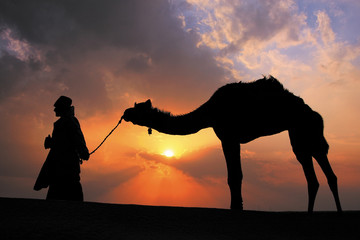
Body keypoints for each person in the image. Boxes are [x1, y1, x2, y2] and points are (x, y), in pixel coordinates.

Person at [34, 96, 90, 201]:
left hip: (66, 165)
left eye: (57, 107)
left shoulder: (69, 122)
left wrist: (83, 152)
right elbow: (72, 140)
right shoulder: (64, 122)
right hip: (61, 165)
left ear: (62, 108)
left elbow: (77, 139)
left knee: (66, 189)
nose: (54, 110)